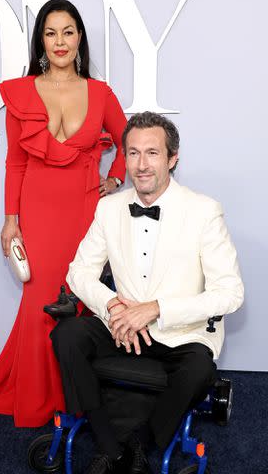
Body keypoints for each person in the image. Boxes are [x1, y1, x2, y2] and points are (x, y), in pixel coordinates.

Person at [0, 0, 126, 427]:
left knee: (76, 301)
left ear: (80, 37)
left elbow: (127, 141)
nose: (60, 41)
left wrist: (114, 181)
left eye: (68, 31)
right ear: (41, 40)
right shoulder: (21, 91)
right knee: (39, 304)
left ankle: (72, 395)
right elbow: (15, 162)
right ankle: (34, 396)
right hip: (38, 210)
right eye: (51, 32)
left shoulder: (100, 93)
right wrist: (11, 219)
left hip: (84, 211)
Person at [51, 112, 244, 473]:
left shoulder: (203, 211)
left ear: (172, 158)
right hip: (121, 326)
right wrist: (111, 305)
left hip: (179, 334)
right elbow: (78, 273)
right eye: (133, 153)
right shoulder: (108, 208)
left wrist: (156, 309)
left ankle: (142, 443)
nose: (141, 165)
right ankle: (109, 444)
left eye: (152, 153)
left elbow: (231, 293)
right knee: (67, 334)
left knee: (200, 367)